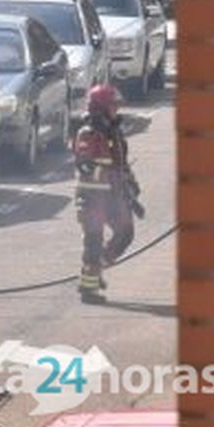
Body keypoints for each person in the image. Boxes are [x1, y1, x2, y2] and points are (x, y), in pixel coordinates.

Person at [73, 83, 144, 303]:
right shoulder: (88, 133)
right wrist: (94, 165)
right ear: (102, 107)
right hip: (93, 199)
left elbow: (120, 164)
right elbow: (85, 163)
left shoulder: (114, 131)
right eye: (113, 106)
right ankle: (89, 288)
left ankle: (95, 270)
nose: (116, 110)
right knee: (93, 243)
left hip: (114, 198)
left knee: (125, 234)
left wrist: (131, 187)